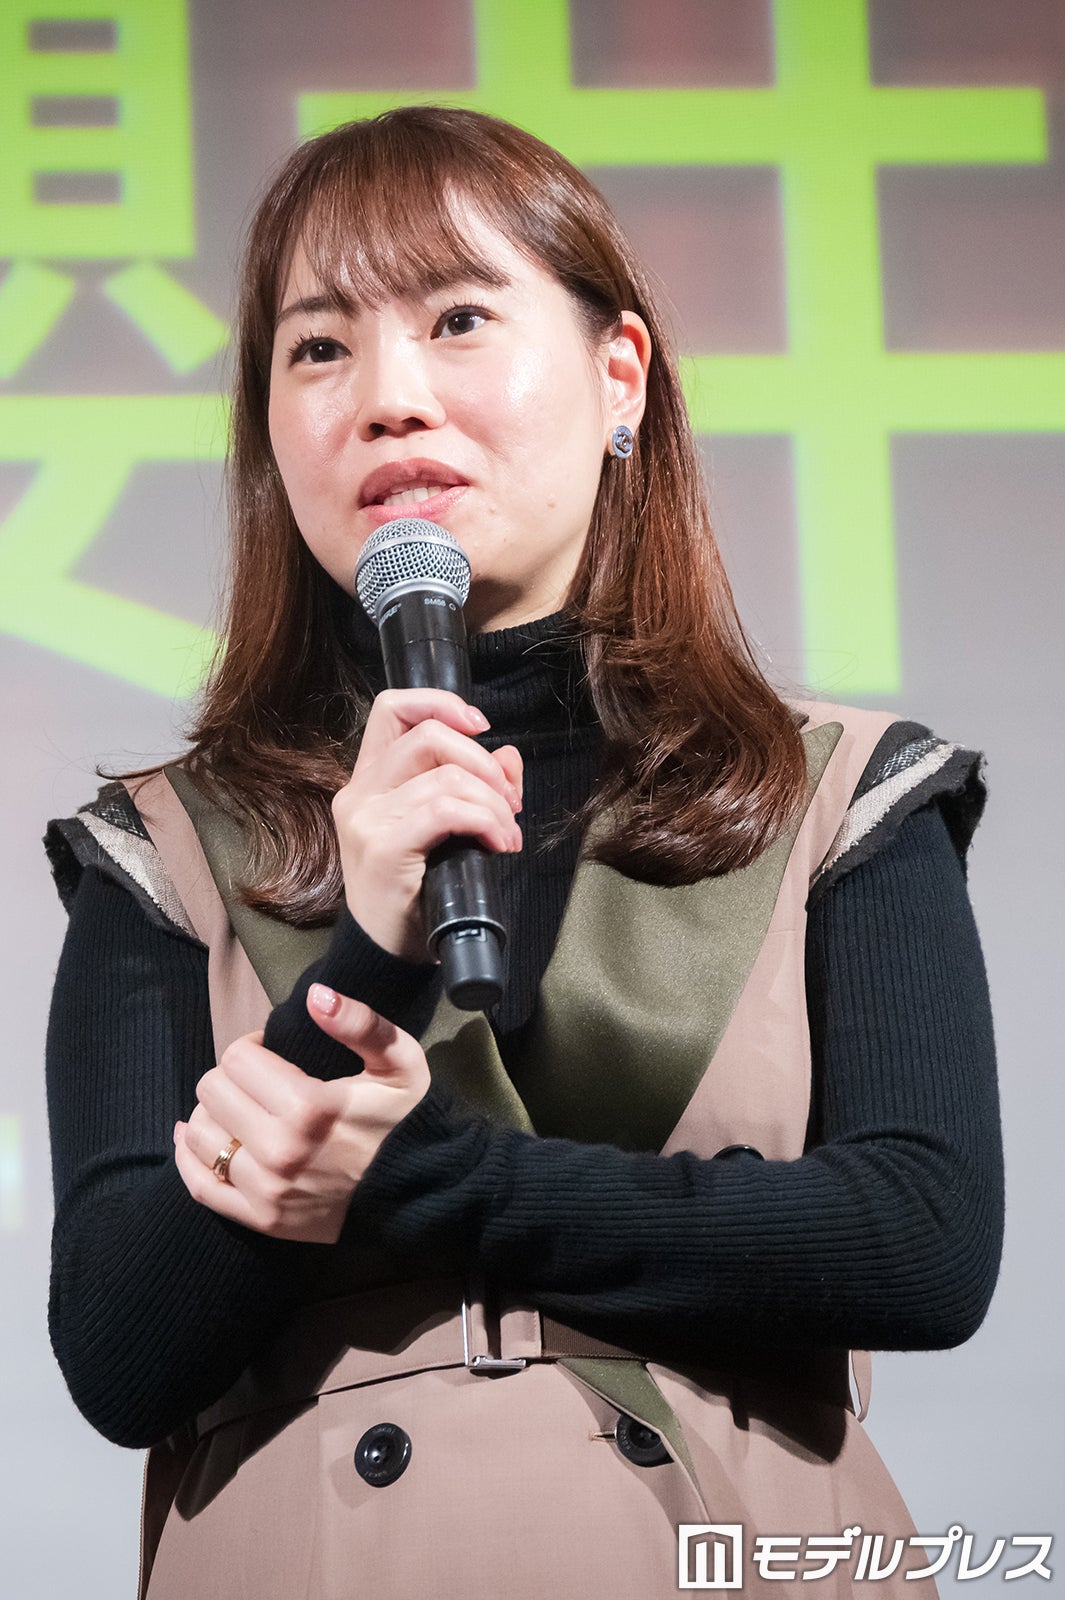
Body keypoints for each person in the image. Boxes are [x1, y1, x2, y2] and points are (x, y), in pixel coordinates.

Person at [44, 107, 1002, 1598]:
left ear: (619, 376)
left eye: (458, 320)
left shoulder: (830, 792)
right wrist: (365, 953)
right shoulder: (168, 846)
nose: (388, 398)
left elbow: (920, 1244)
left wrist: (427, 1180)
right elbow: (119, 1352)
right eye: (319, 348)